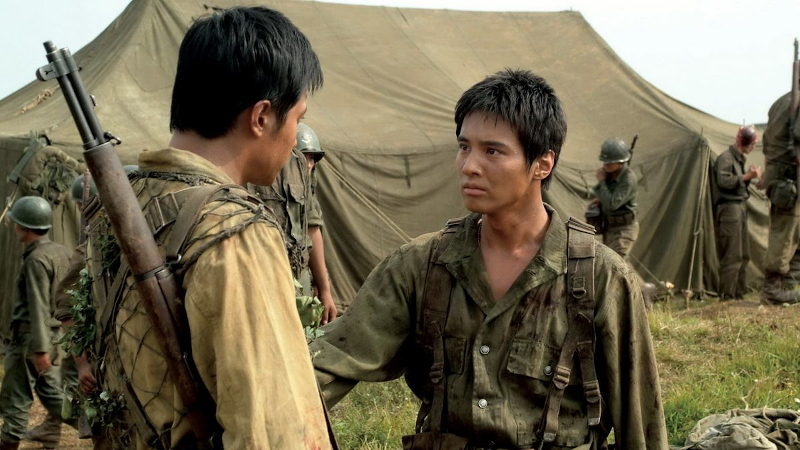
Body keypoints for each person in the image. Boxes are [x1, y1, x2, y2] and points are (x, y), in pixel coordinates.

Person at [311, 69, 668, 449]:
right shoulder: (421, 266)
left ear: (542, 163)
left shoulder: (601, 277)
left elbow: (640, 423)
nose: (469, 165)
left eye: (492, 151)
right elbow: (329, 362)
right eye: (464, 147)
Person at [79, 6, 332, 449]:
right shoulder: (235, 231)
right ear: (262, 117)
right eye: (299, 118)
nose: (296, 137)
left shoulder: (124, 207)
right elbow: (272, 432)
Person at [0, 196, 71, 450]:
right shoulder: (59, 251)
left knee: (15, 397)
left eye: (16, 223)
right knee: (52, 395)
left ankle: (8, 442)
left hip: (31, 339)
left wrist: (40, 350)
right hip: (54, 335)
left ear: (24, 227)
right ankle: (93, 423)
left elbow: (38, 304)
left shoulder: (35, 260)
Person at [248, 123, 337, 324]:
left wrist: (324, 288)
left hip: (299, 278)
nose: (309, 164)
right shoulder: (258, 172)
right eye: (305, 157)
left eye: (313, 158)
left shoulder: (304, 181)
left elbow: (311, 230)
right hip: (265, 278)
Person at [759, 88, 800, 304]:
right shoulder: (795, 103)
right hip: (789, 178)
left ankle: (790, 283)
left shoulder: (781, 102)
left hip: (779, 176)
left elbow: (767, 143)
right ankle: (772, 290)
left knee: (793, 231)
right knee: (785, 232)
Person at [713, 126, 760, 300]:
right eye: (753, 143)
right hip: (729, 209)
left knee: (743, 254)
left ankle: (738, 294)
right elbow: (723, 181)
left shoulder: (737, 159)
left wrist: (748, 176)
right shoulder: (726, 158)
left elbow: (736, 183)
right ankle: (727, 296)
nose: (754, 147)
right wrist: (747, 176)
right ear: (746, 143)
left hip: (739, 207)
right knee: (732, 255)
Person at [592, 138, 639, 259]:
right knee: (612, 263)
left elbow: (612, 204)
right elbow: (605, 196)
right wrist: (600, 200)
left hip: (624, 230)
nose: (605, 165)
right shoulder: (610, 175)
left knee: (613, 264)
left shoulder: (628, 179)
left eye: (609, 162)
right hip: (610, 228)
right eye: (604, 162)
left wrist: (602, 182)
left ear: (620, 162)